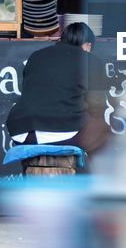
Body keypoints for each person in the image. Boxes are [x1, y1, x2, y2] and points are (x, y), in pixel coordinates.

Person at [6, 23, 110, 154]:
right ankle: (86, 174)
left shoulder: (36, 56)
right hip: (64, 133)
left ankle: (32, 172)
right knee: (102, 128)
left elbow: (28, 91)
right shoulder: (90, 60)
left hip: (23, 134)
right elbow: (96, 105)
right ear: (88, 45)